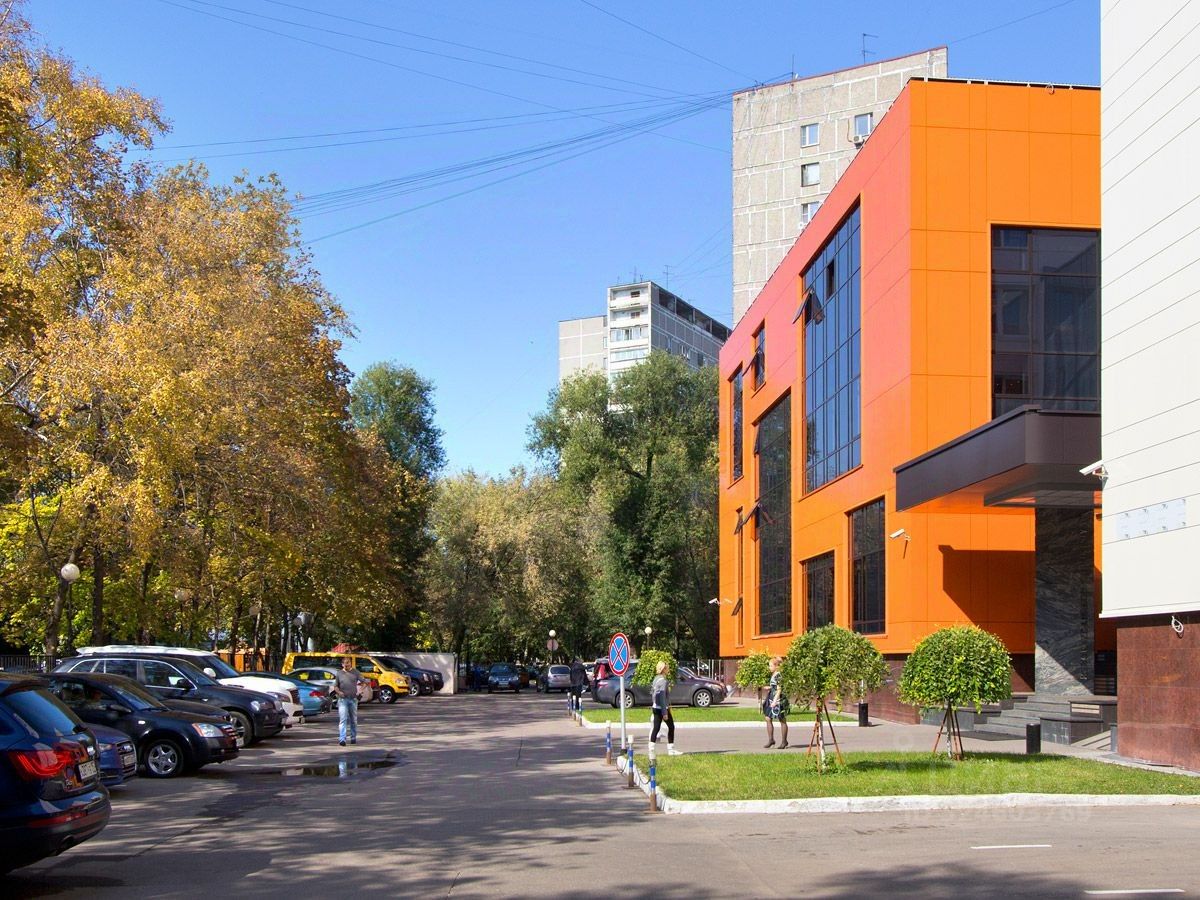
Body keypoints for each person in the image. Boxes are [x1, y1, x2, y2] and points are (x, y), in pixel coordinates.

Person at [331, 656, 366, 747]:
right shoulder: (339, 673)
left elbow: (364, 682)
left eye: (348, 663)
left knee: (353, 720)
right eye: (345, 664)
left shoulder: (355, 672)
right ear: (342, 664)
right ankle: (342, 739)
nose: (346, 665)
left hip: (353, 699)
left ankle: (353, 737)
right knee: (343, 719)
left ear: (350, 663)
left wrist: (360, 691)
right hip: (343, 699)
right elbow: (335, 686)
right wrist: (339, 692)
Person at [650, 660, 680, 756]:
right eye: (667, 668)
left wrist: (655, 703)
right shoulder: (663, 681)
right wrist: (664, 712)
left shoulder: (656, 679)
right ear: (663, 669)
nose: (668, 669)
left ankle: (651, 749)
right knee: (671, 727)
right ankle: (671, 750)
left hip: (655, 707)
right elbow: (662, 696)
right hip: (662, 708)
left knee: (656, 728)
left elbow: (653, 693)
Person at [762, 656, 790, 749]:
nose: (769, 667)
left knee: (782, 719)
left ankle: (784, 741)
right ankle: (771, 740)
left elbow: (779, 689)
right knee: (768, 718)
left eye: (770, 666)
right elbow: (775, 686)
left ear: (776, 666)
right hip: (771, 697)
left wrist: (775, 701)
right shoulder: (774, 674)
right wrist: (769, 687)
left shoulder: (778, 675)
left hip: (778, 699)